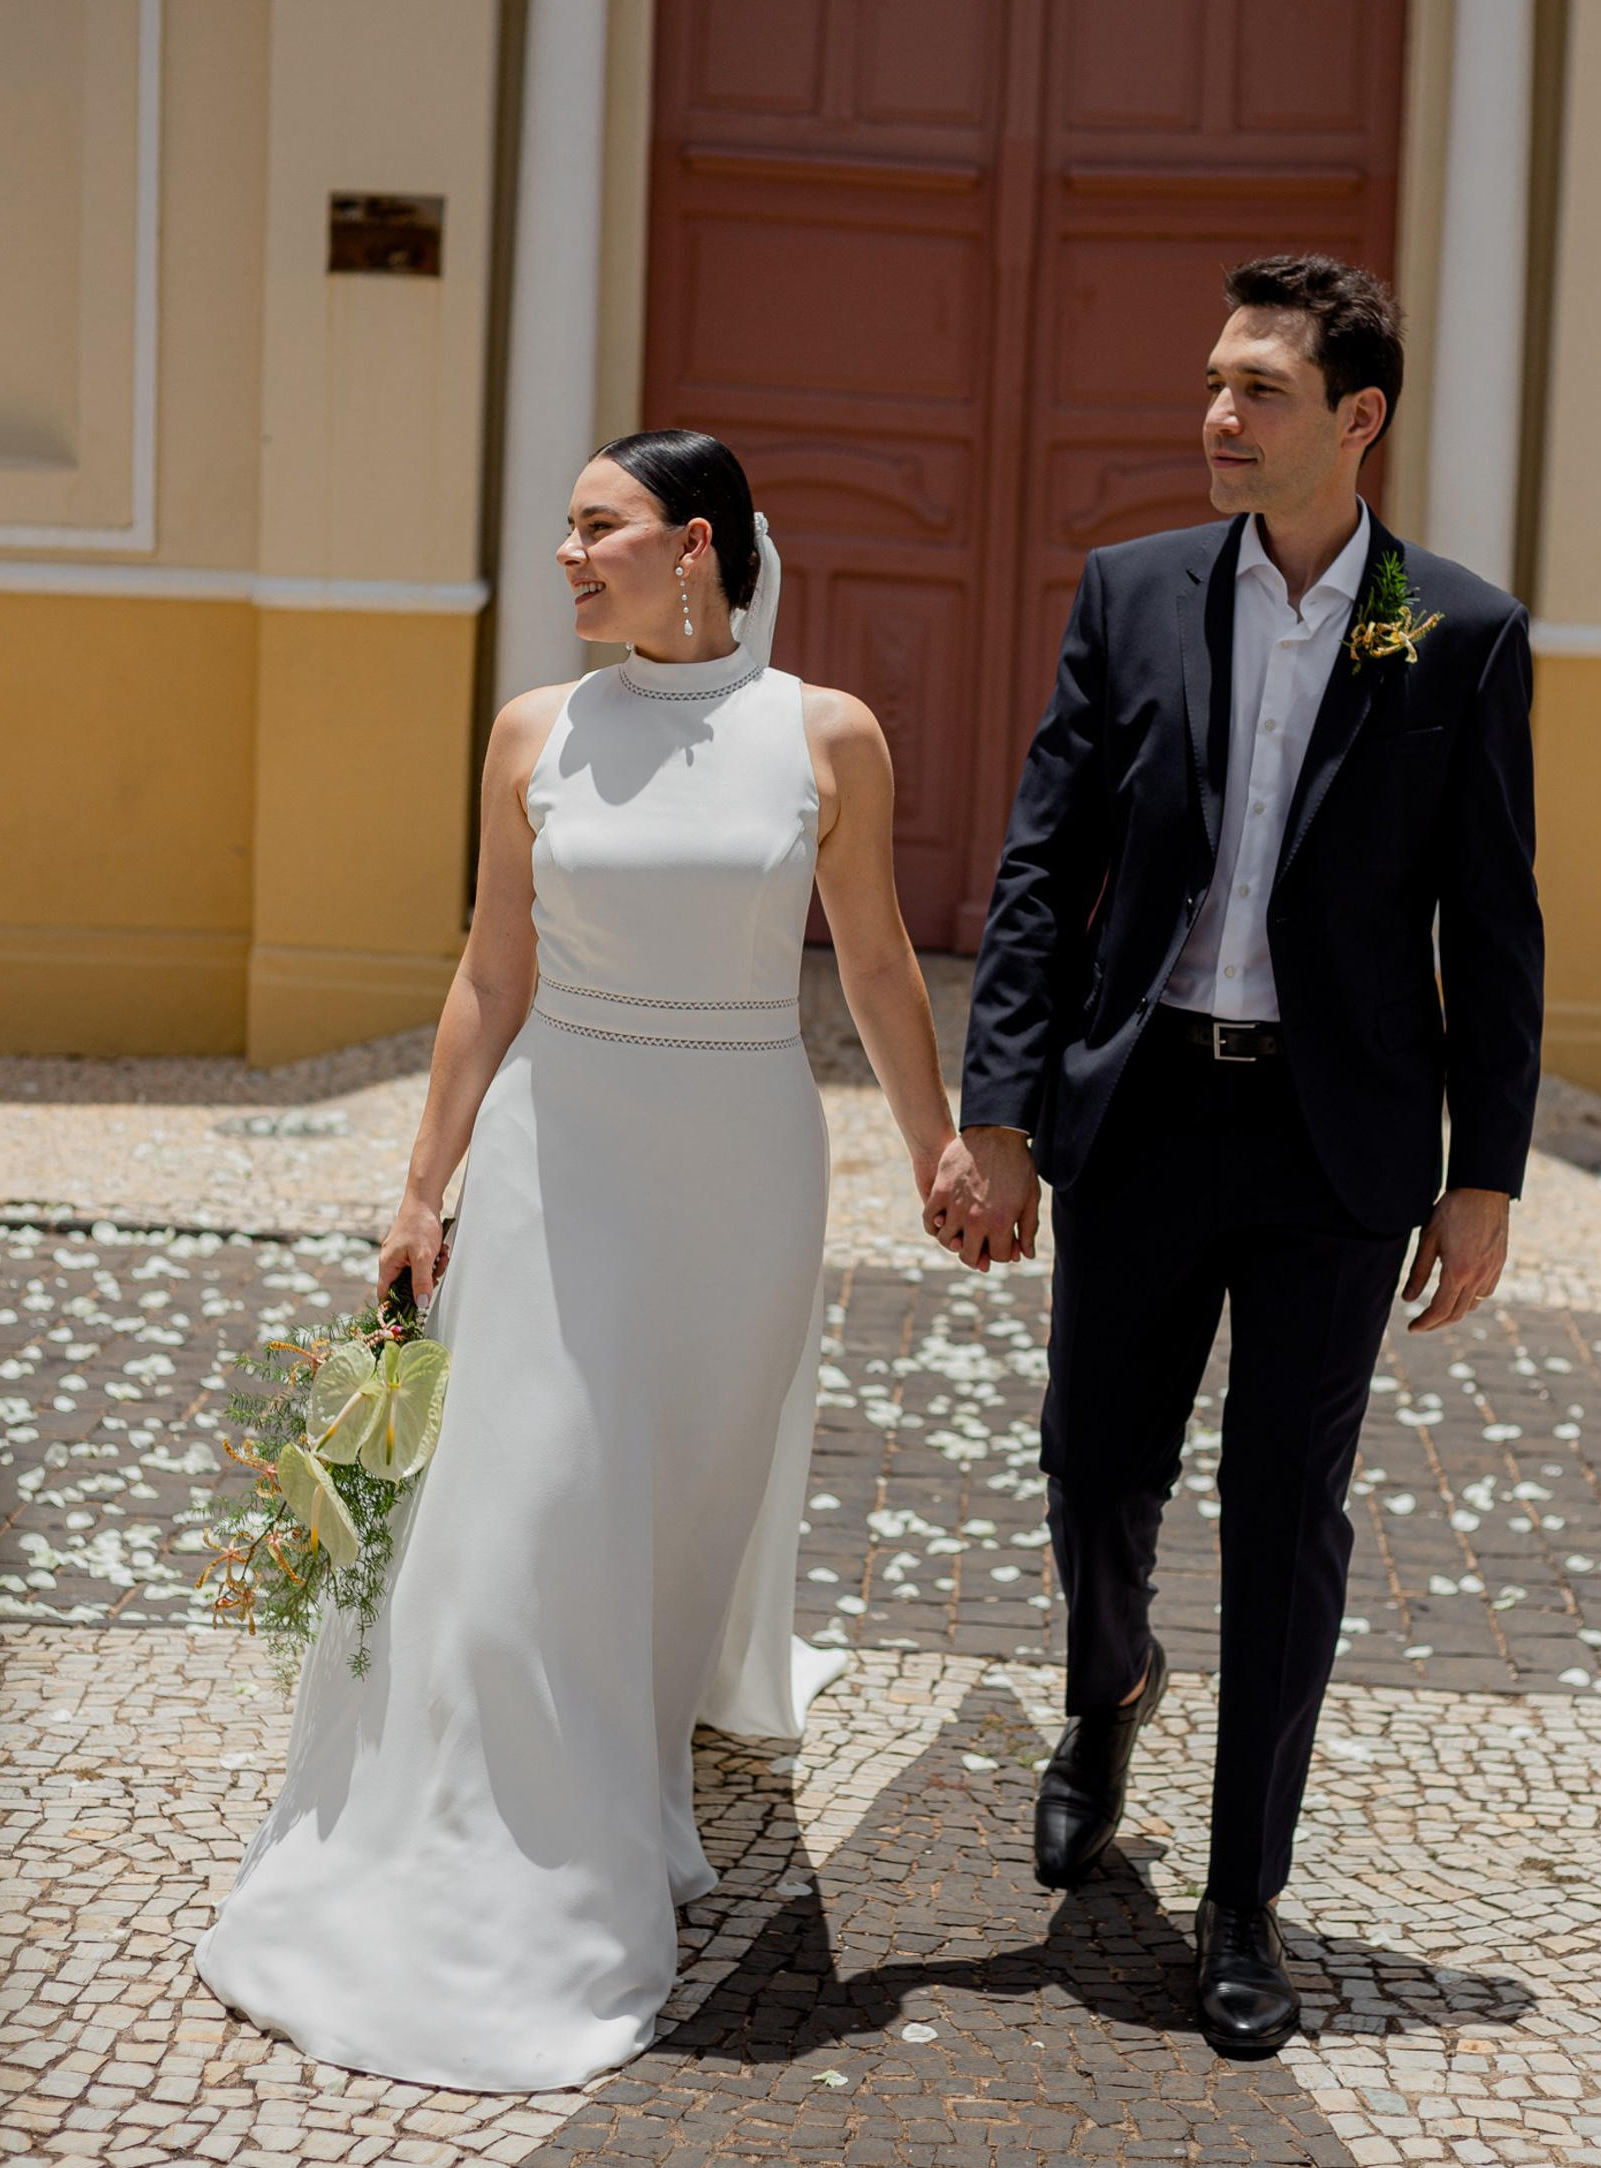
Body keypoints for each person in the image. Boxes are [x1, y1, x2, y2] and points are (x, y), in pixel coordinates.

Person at [197, 430, 958, 2091]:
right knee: (533, 1498)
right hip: (558, 1163)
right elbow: (489, 970)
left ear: (691, 546)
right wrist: (421, 1187)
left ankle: (634, 1767)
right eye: (563, 530)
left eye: (593, 529)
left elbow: (884, 966)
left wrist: (936, 1152)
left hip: (742, 1178)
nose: (565, 556)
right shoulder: (535, 729)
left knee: (672, 1510)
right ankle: (508, 1852)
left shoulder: (824, 735)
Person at [928, 255, 1544, 2058]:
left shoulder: (1458, 632)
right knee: (1090, 1468)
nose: (1218, 415)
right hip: (1141, 1111)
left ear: (1356, 418)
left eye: (1260, 390)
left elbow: (1493, 925)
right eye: (1213, 382)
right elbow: (1046, 868)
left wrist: (1484, 1172)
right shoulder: (1128, 596)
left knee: (1289, 1520)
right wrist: (1003, 1108)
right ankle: (1106, 1685)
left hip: (1332, 1143)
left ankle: (1241, 1898)